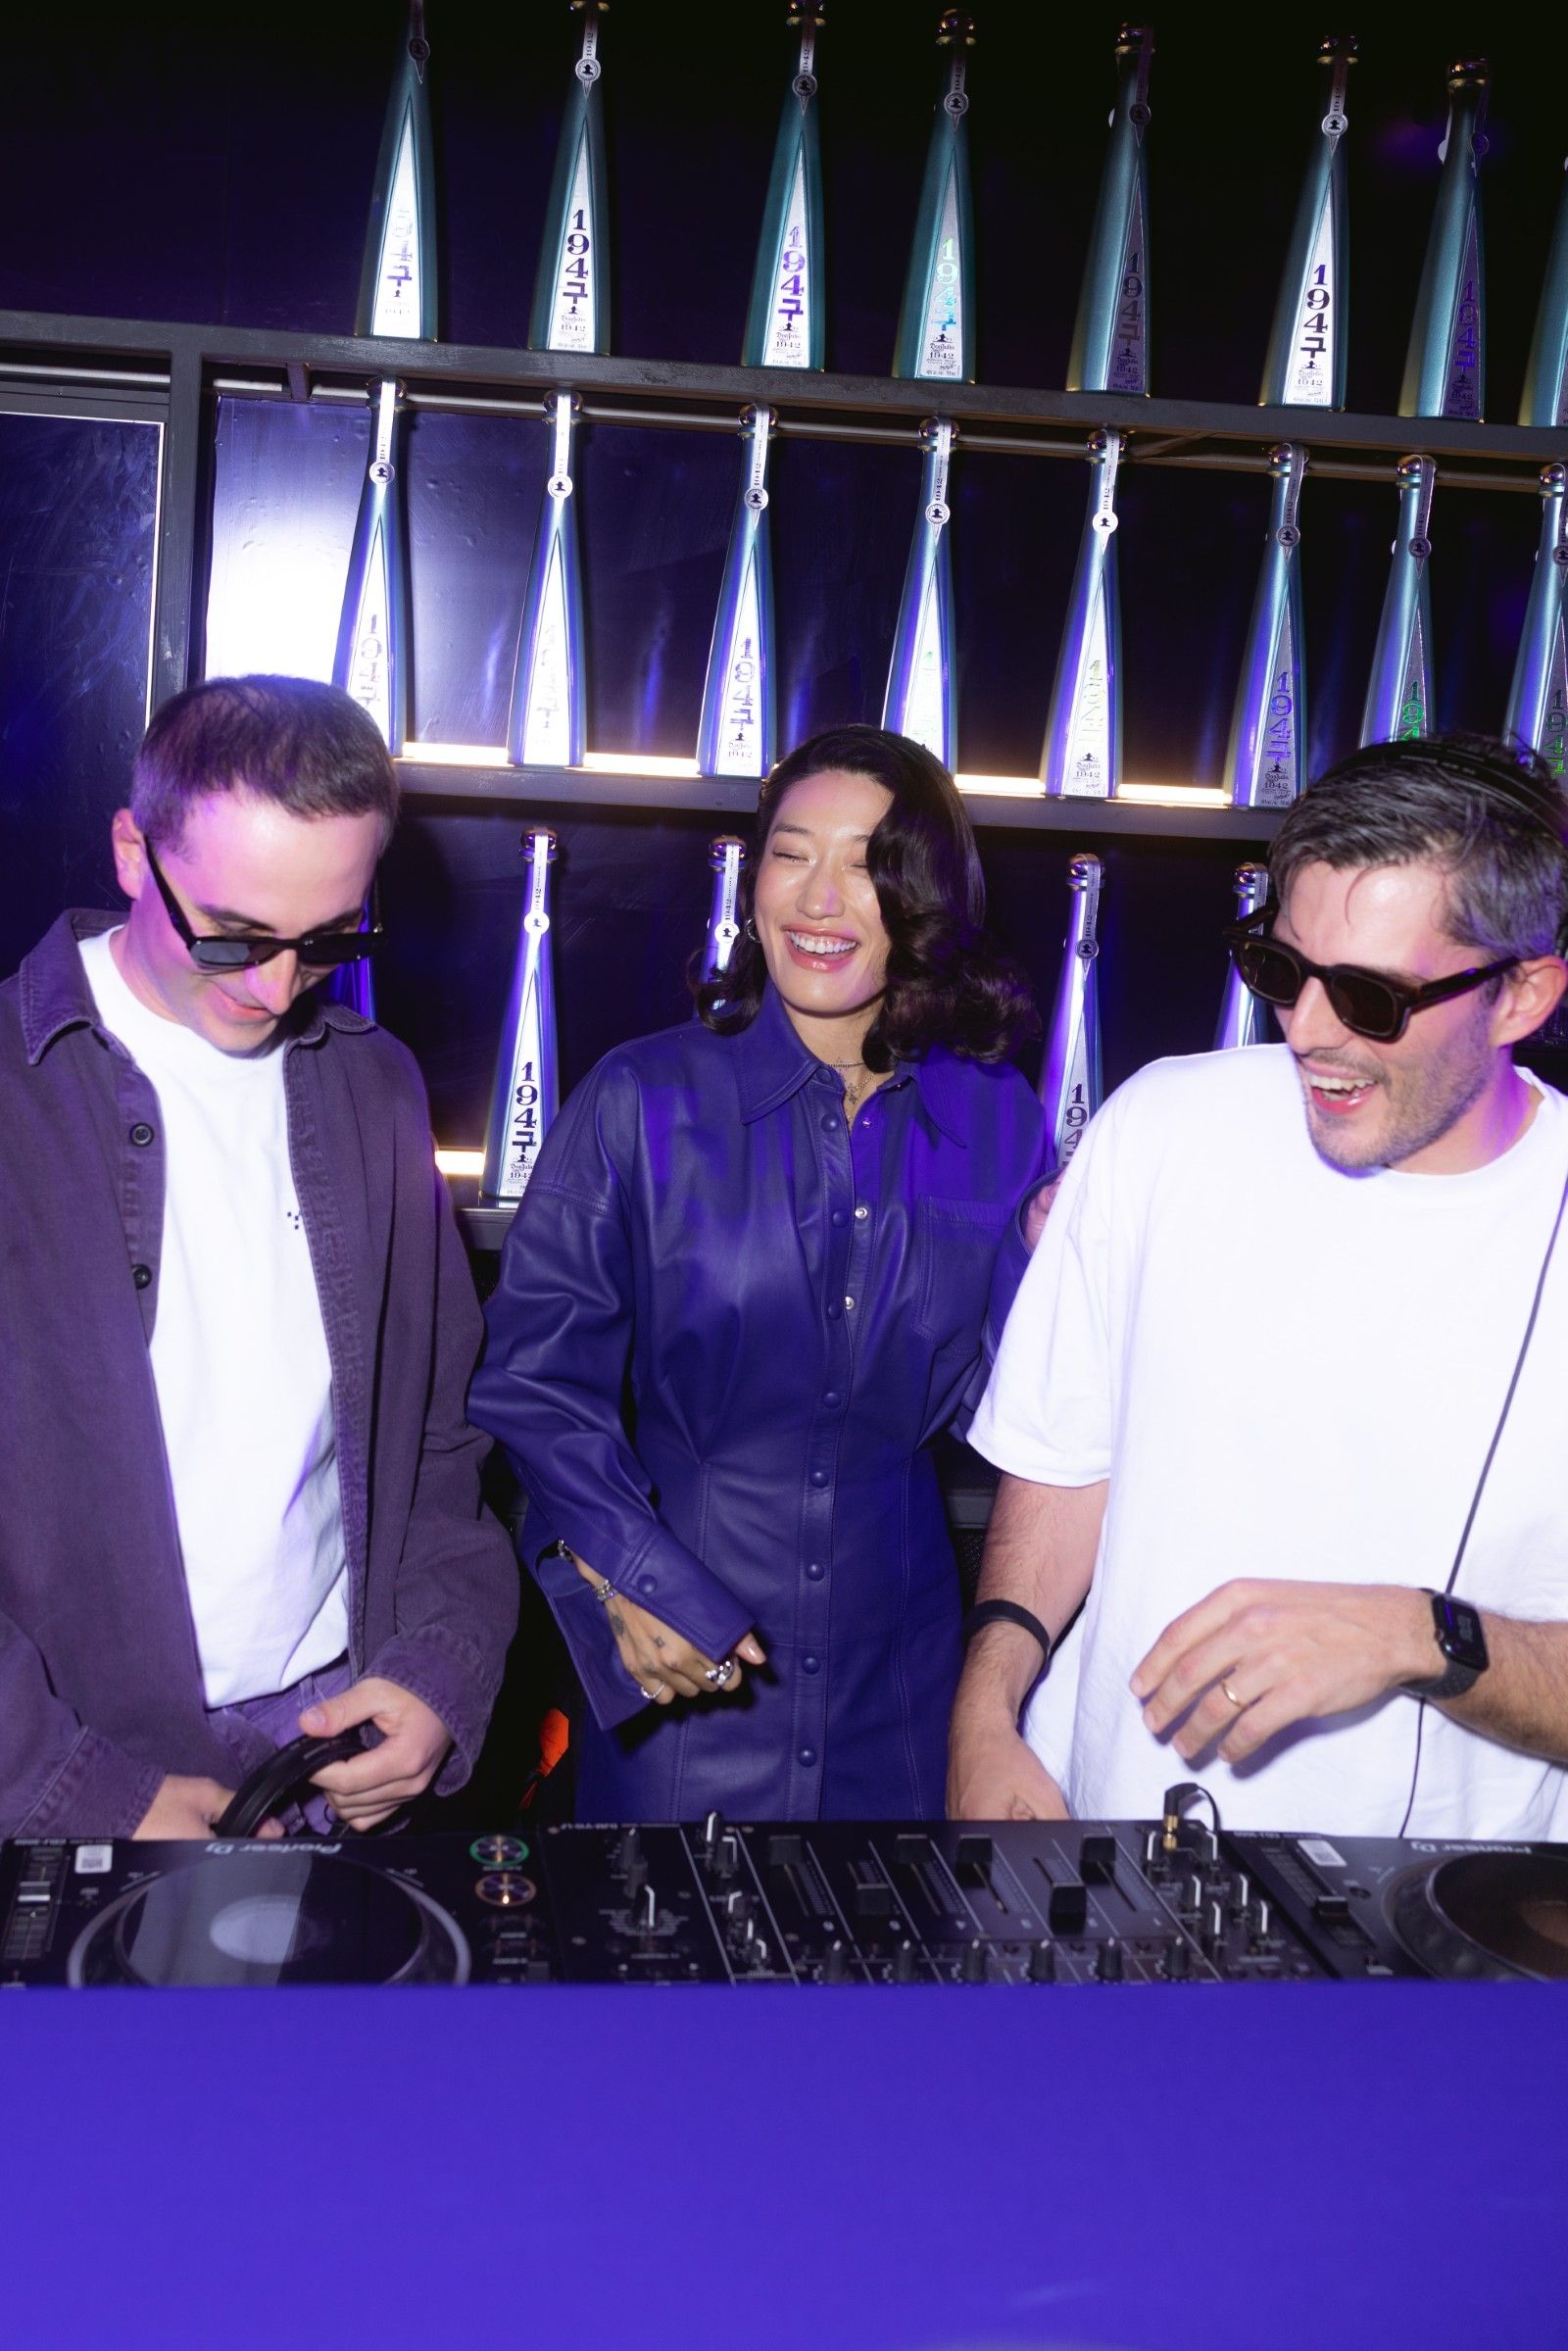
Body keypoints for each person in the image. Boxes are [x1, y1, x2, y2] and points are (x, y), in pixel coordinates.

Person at [950, 734, 1568, 1842]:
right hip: (1107, 1860)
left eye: (1372, 996)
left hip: (1437, 1914)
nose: (1309, 1032)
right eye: (1282, 971)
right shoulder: (1161, 1125)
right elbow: (1062, 1461)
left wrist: (1420, 1636)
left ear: (1522, 994)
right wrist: (987, 1711)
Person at [470, 727, 1049, 1820]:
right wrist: (622, 1568)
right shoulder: (640, 1099)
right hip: (687, 1677)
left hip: (907, 1700)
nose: (819, 898)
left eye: (866, 864)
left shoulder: (996, 1117)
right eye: (791, 854)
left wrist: (1047, 1257)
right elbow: (534, 1380)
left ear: (926, 897)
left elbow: (1022, 1408)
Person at [0, 675, 518, 1841]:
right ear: (132, 853)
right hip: (67, 1761)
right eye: (231, 932)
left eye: (328, 940)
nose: (275, 987)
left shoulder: (375, 1083)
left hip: (332, 1741)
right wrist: (76, 1790)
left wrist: (437, 1669)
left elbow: (438, 1441)